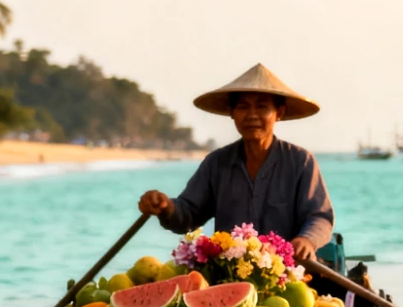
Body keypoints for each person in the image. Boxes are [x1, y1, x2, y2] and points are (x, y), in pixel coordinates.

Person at [137, 64, 333, 261]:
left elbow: (320, 218)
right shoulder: (216, 164)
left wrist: (307, 240)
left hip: (288, 273)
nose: (252, 115)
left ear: (279, 112)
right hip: (229, 273)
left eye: (262, 107)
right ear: (232, 112)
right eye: (243, 107)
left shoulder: (300, 162)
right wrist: (165, 206)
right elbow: (187, 215)